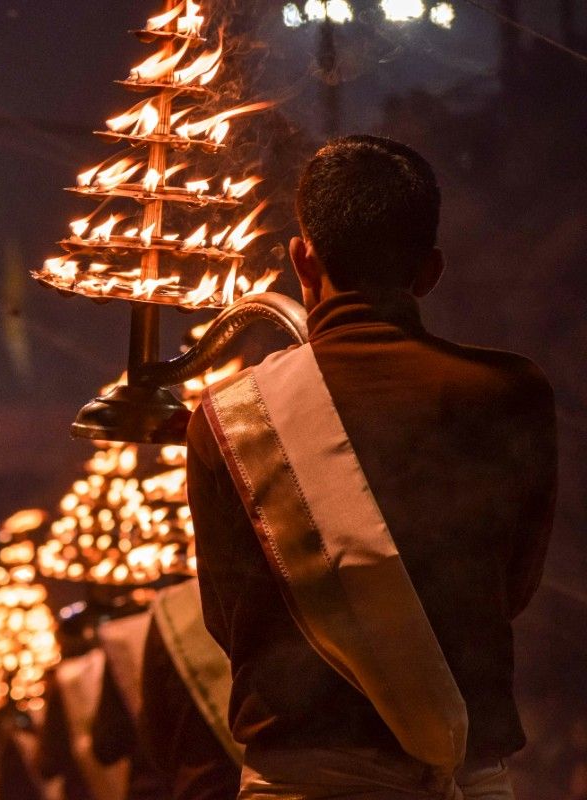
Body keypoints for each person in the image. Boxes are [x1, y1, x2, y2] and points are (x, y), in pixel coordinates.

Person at [186, 136, 556, 798]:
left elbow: (224, 618)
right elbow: (515, 588)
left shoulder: (231, 416)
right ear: (429, 271)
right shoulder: (510, 395)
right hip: (468, 778)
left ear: (302, 259)